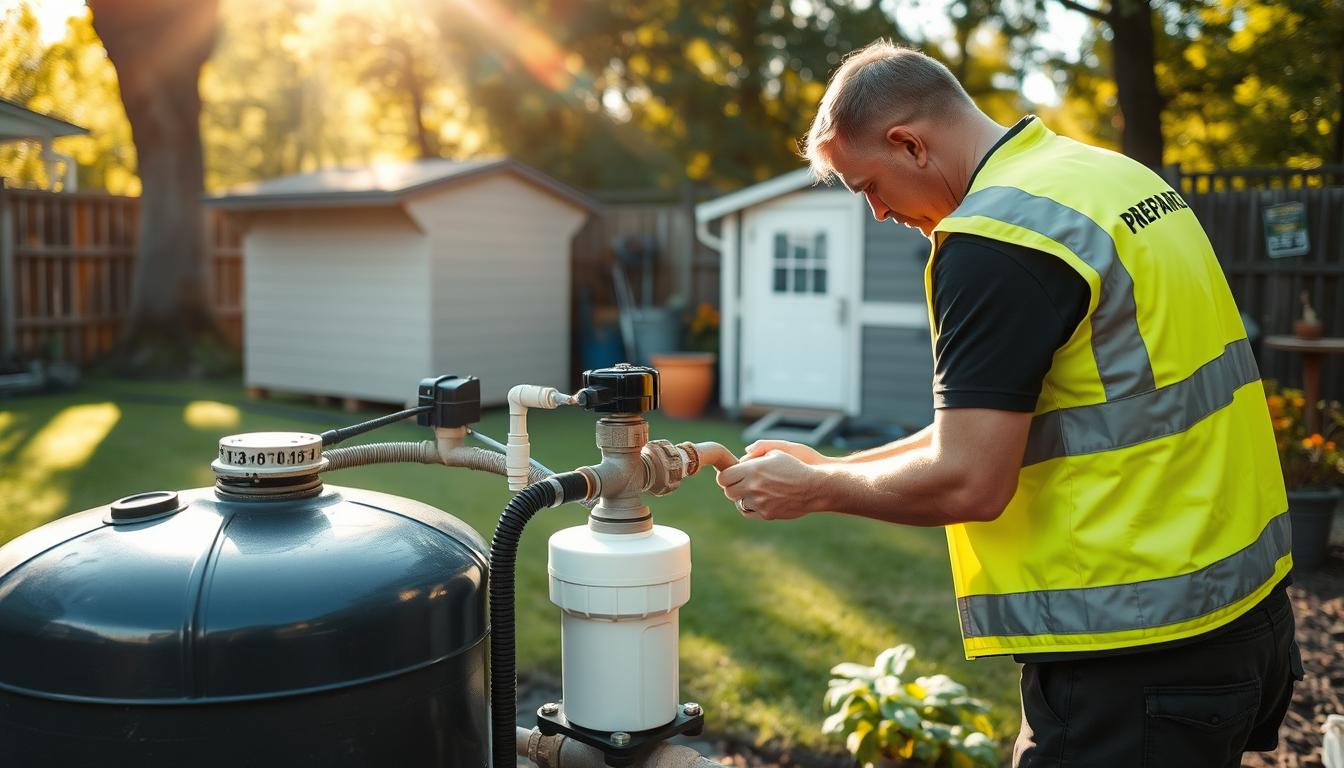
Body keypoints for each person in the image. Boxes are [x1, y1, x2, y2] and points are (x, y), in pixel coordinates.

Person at [714, 40, 1302, 767]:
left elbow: (971, 478)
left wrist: (819, 491)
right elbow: (1002, 431)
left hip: (1132, 655)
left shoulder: (994, 241)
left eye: (868, 184)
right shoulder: (1108, 178)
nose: (876, 213)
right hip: (1243, 617)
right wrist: (837, 461)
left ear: (910, 144)